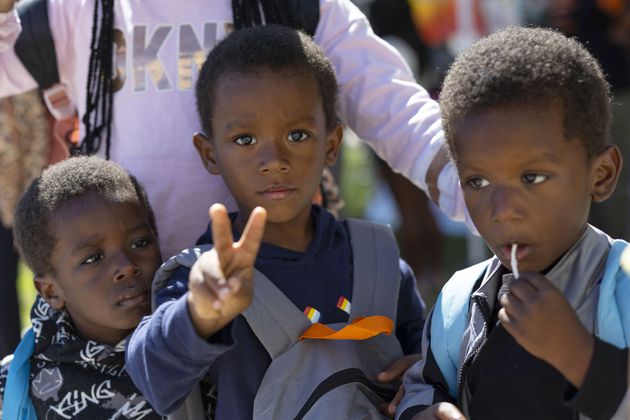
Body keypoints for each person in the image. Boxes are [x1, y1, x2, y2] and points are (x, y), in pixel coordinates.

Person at [0, 0, 470, 261]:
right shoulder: (73, 11)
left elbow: (400, 116)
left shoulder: (298, 6)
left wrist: (488, 194)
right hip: (128, 307)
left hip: (276, 298)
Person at [125, 25, 426, 419]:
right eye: (246, 140)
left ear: (331, 144)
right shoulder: (208, 276)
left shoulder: (377, 262)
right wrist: (199, 316)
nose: (274, 160)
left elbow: (429, 364)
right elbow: (152, 379)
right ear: (210, 153)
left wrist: (421, 377)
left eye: (298, 134)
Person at [397, 26, 629, 420]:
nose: (503, 208)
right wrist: (424, 411)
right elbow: (424, 386)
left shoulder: (620, 287)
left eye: (532, 178)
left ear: (601, 174)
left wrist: (577, 355)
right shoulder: (458, 300)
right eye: (478, 182)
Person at [0, 156, 164, 419]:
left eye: (140, 243)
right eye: (93, 259)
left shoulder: (197, 338)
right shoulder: (20, 384)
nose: (126, 266)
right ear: (51, 292)